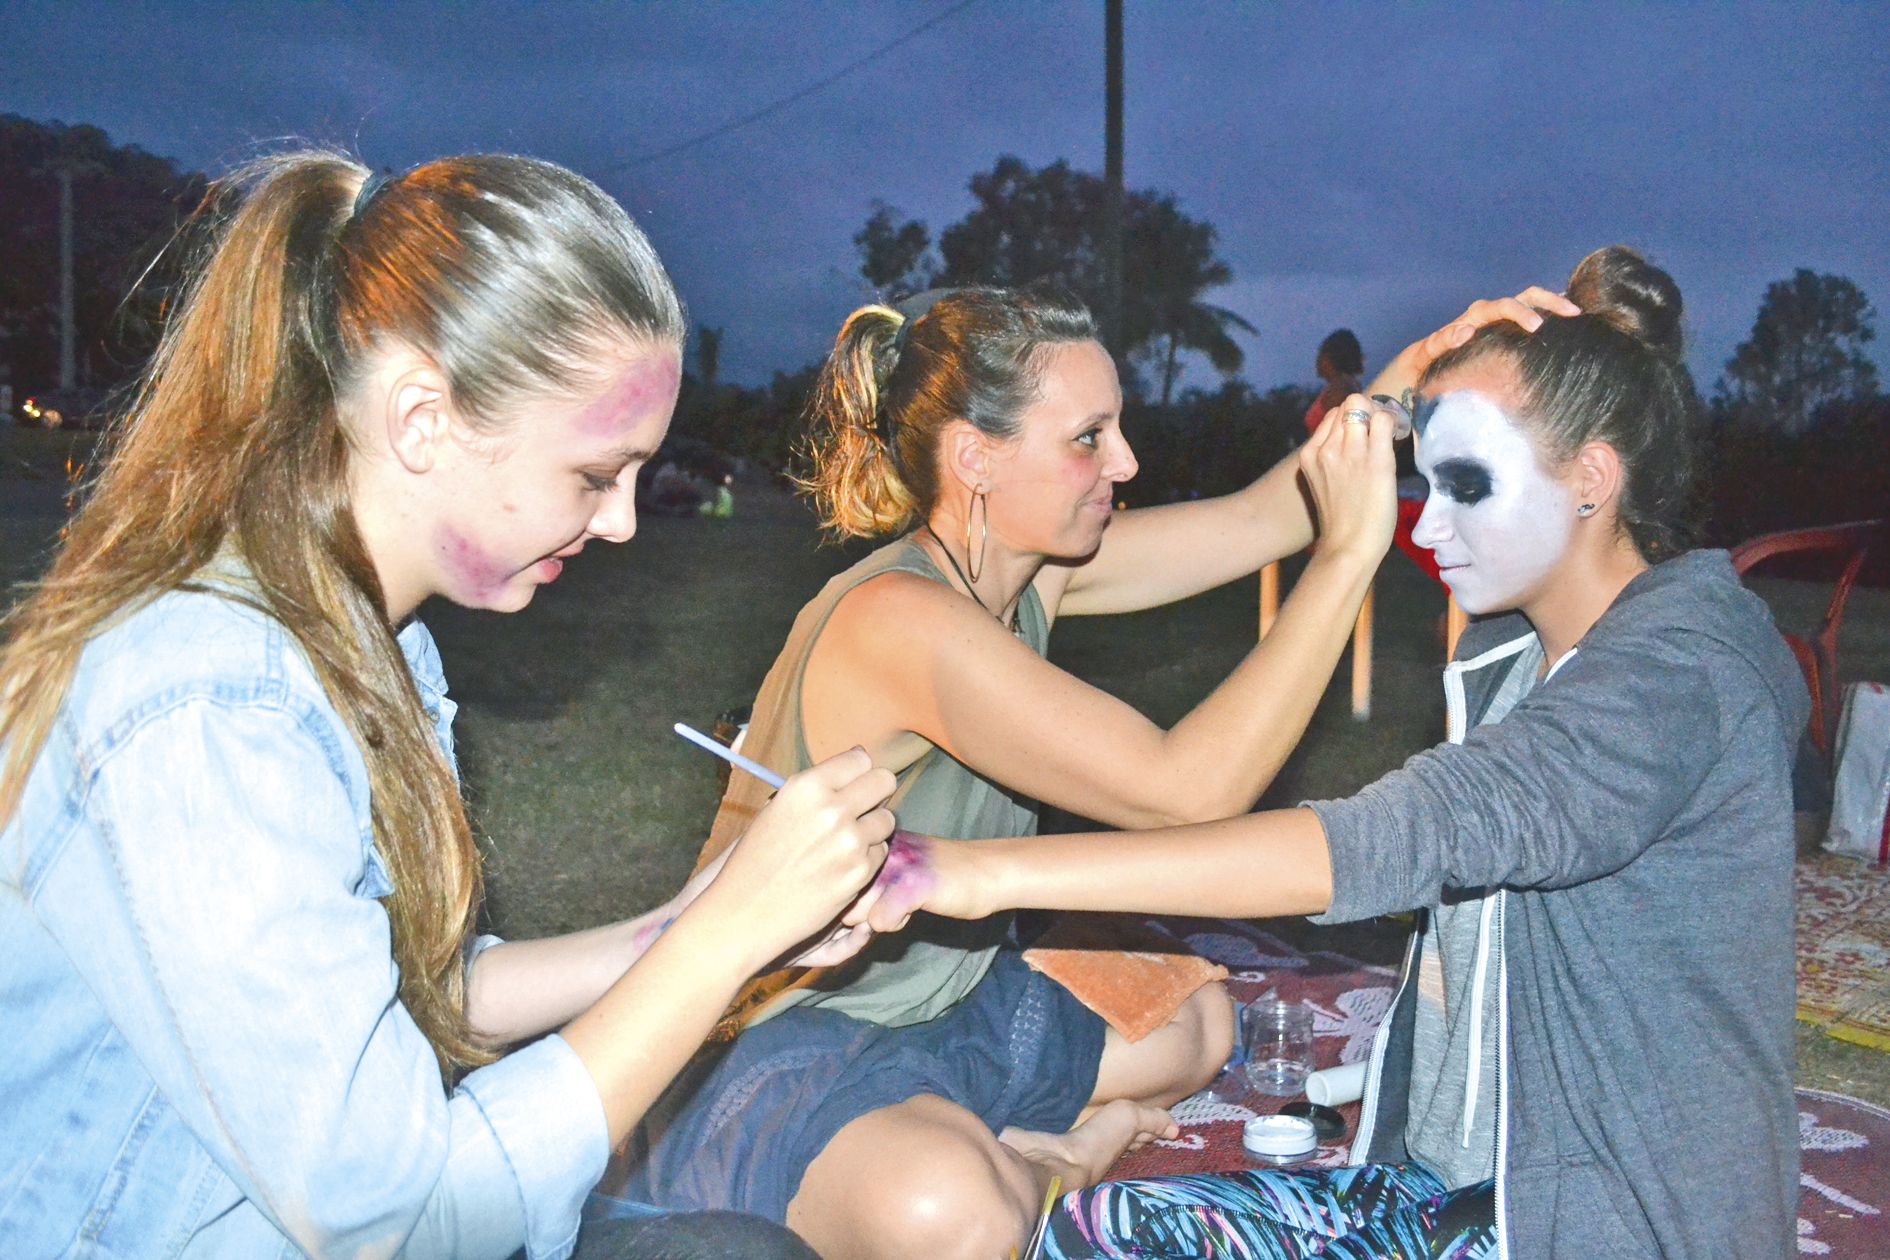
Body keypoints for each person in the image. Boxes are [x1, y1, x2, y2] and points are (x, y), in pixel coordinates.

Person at [0, 151, 902, 1260]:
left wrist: (691, 923)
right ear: (422, 418)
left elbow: (416, 996)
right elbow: (401, 1214)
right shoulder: (209, 704)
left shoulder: (375, 646)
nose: (623, 521)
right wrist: (715, 946)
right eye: (593, 473)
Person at [873, 248, 1806, 1259]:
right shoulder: (1517, 645)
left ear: (1591, 480)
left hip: (1608, 1223)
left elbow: (1394, 837)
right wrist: (1401, 389)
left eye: (1464, 485)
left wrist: (968, 871)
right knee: (1093, 1234)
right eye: (1425, 483)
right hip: (1458, 1189)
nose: (1430, 525)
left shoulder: (1678, 677)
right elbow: (1262, 519)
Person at [603, 283, 1524, 1258]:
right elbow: (1185, 794)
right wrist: (1347, 561)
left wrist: (1400, 385)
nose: (1124, 462)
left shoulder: (1031, 570)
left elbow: (1264, 518)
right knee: (958, 1221)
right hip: (780, 1046)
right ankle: (1061, 1160)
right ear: (976, 459)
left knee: (1199, 1029)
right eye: (1089, 437)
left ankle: (976, 1142)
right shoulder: (899, 621)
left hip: (947, 997)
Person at [1304, 327, 1364, 438]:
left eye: (1320, 355)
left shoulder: (1339, 390)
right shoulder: (1345, 385)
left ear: (1329, 359)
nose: (1316, 361)